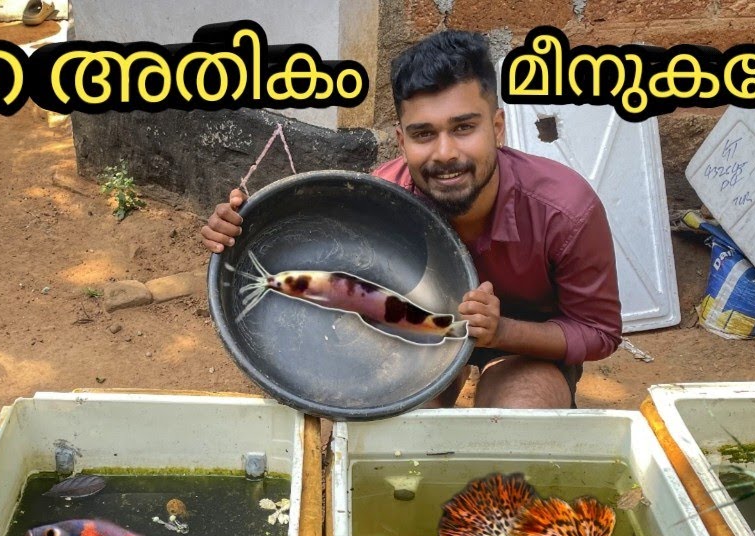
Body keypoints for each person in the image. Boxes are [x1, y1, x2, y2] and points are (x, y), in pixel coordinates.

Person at [199, 30, 622, 409]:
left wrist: (502, 331)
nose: (444, 153)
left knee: (517, 427)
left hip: (525, 346)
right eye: (423, 134)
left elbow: (598, 332)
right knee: (387, 439)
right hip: (415, 339)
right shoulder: (380, 199)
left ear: (497, 127)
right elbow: (320, 266)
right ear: (401, 140)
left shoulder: (566, 210)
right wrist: (241, 232)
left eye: (463, 128)